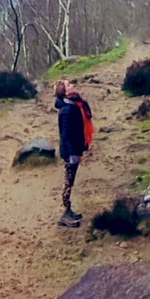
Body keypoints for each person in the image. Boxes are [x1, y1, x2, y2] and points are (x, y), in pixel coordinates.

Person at [55, 80, 94, 227]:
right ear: (65, 92)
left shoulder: (73, 105)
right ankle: (64, 213)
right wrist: (73, 153)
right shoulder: (67, 109)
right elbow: (66, 135)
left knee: (69, 182)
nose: (72, 85)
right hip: (70, 152)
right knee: (68, 183)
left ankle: (67, 209)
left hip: (74, 150)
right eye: (68, 85)